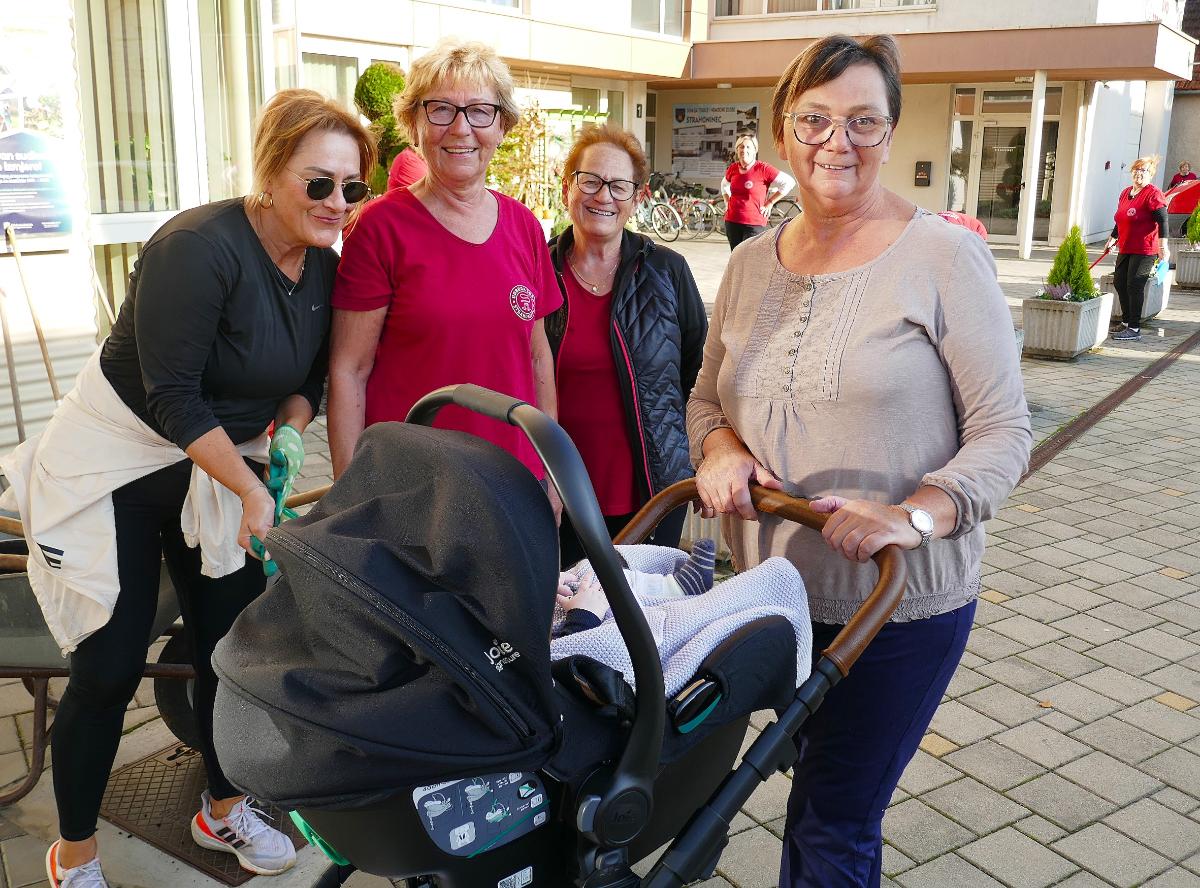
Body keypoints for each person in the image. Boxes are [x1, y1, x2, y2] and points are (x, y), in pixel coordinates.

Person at [0, 89, 375, 888]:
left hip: (220, 463)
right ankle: (74, 852)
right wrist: (252, 490)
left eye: (353, 187)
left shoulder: (324, 265)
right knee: (108, 666)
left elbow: (307, 379)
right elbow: (171, 396)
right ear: (270, 171)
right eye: (319, 183)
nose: (337, 202)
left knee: (231, 652)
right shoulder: (196, 248)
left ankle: (222, 807)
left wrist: (290, 430)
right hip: (118, 463)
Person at [686, 34, 1031, 887]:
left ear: (890, 132)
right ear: (782, 130)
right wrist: (720, 448)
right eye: (815, 119)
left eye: (863, 122)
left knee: (832, 819)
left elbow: (1003, 433)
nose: (836, 142)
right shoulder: (748, 262)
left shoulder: (944, 257)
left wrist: (915, 514)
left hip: (895, 608)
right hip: (773, 599)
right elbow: (704, 400)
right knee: (819, 791)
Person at [328, 39, 562, 520]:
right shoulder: (380, 227)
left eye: (480, 111)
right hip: (412, 490)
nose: (461, 128)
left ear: (502, 125)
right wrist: (351, 496)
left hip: (514, 485)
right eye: (441, 109)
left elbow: (538, 358)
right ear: (414, 123)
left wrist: (552, 474)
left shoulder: (524, 226)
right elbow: (350, 371)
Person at [545, 124, 708, 566]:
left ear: (637, 198)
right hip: (557, 491)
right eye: (590, 181)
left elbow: (699, 374)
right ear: (567, 188)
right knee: (567, 606)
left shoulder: (668, 272)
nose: (603, 196)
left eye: (619, 186)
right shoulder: (537, 270)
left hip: (652, 491)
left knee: (642, 605)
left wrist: (701, 458)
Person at [553, 538, 717, 637]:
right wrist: (584, 615)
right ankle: (676, 588)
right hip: (583, 624)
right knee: (607, 593)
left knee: (588, 572)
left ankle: (676, 585)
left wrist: (548, 582)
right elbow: (567, 660)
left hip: (560, 598)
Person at [1103, 156, 1169, 342]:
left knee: (1134, 285)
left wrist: (1163, 246)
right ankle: (1126, 322)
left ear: (1151, 174)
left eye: (1143, 170)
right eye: (1136, 169)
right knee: (1119, 282)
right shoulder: (1125, 193)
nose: (1139, 173)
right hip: (1126, 246)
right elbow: (1121, 218)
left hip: (1145, 248)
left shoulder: (1153, 193)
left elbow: (1163, 220)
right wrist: (1112, 238)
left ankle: (1134, 327)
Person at [720, 132, 796, 250]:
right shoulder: (733, 168)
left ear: (755, 150)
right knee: (735, 256)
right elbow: (724, 184)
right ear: (737, 150)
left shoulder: (763, 169)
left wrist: (770, 202)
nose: (744, 150)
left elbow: (789, 182)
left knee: (750, 256)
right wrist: (726, 201)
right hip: (732, 221)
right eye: (741, 147)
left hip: (754, 224)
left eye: (748, 147)